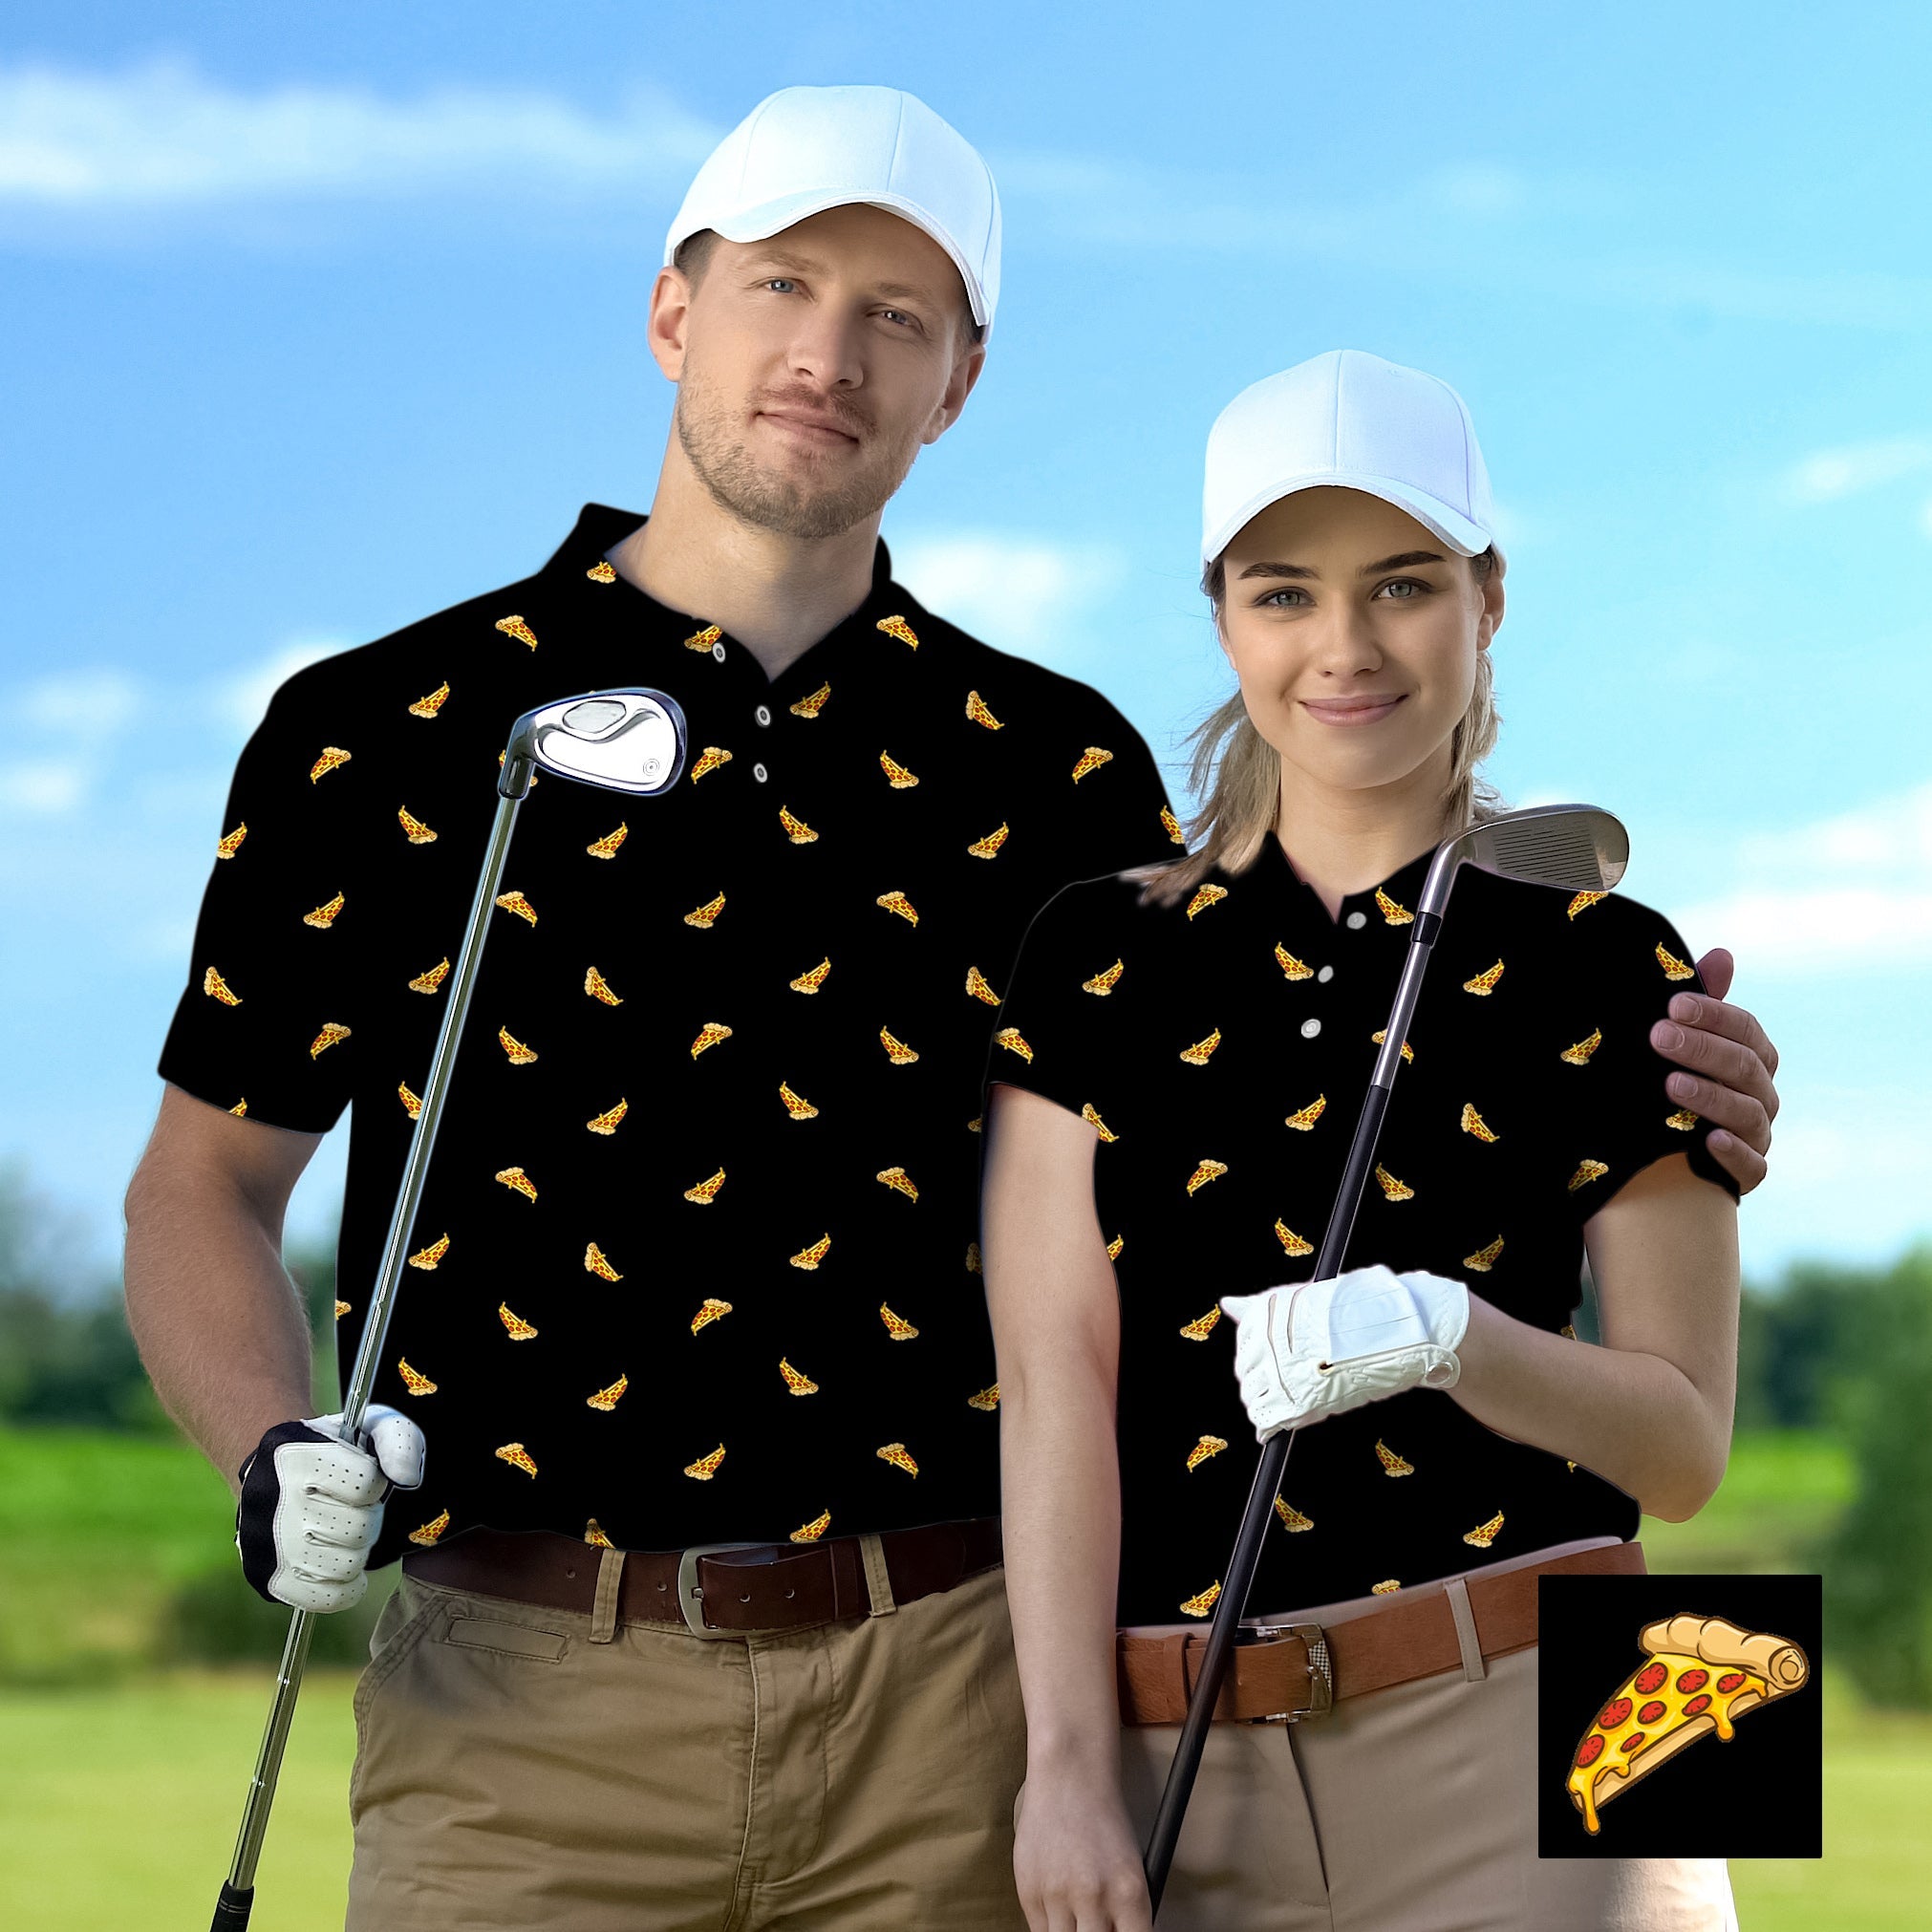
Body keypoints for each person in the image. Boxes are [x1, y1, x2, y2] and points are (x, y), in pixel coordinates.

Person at [118, 78, 1777, 1926]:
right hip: (518, 1697)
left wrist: (1669, 1090)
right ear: (673, 308)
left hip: (975, 1684)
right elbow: (200, 1186)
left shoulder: (1054, 772)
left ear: (960, 381)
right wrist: (272, 1452)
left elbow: (1642, 1433)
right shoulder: (386, 729)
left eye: (895, 317)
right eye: (781, 287)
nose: (828, 354)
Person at [981, 351, 1758, 1930]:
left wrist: (1446, 1336)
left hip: (1601, 1690)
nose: (1343, 647)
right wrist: (1061, 1763)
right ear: (1220, 617)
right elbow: (1054, 1379)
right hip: (1184, 1745)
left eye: (1401, 585)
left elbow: (1682, 1458)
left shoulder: (1619, 958)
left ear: (1485, 599)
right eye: (1283, 594)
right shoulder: (1088, 955)